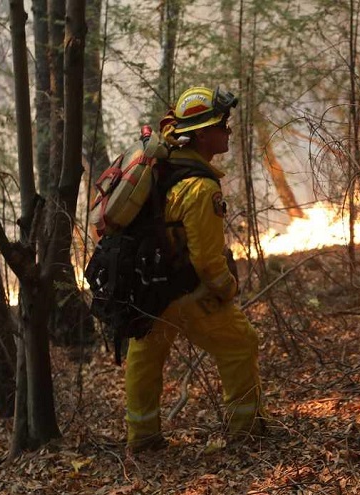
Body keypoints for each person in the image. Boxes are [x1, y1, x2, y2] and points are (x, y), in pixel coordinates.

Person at [123, 86, 265, 453]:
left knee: (145, 356)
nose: (229, 131)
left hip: (148, 289)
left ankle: (143, 438)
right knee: (240, 343)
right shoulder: (200, 188)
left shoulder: (166, 167)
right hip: (186, 290)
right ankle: (246, 431)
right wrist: (226, 289)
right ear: (203, 134)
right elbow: (206, 260)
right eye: (223, 125)